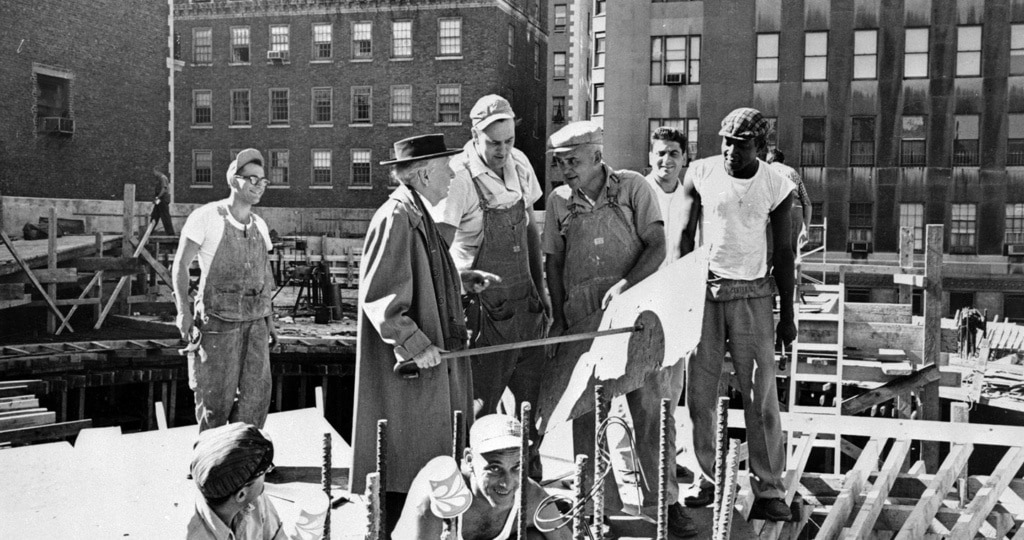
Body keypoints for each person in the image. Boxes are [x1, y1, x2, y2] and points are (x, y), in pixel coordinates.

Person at [543, 121, 697, 537]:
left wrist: (625, 285)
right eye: (560, 163)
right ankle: (595, 509)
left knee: (649, 409)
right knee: (585, 412)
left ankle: (664, 503)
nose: (565, 171)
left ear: (596, 155)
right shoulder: (558, 202)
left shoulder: (631, 188)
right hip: (582, 317)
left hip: (633, 313)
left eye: (572, 161)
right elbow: (553, 263)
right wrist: (558, 315)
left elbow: (657, 244)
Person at [350, 133, 497, 536]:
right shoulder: (396, 218)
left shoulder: (417, 215)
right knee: (404, 473)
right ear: (425, 172)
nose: (452, 176)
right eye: (447, 168)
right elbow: (380, 298)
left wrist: (460, 281)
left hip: (429, 379)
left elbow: (419, 279)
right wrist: (417, 345)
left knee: (428, 469)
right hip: (412, 382)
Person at [679, 107, 797, 521]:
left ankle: (768, 489)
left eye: (741, 145)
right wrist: (680, 298)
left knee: (761, 397)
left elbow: (784, 253)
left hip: (754, 297)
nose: (729, 151)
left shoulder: (777, 185)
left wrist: (787, 315)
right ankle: (706, 479)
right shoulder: (700, 172)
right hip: (705, 294)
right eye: (725, 142)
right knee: (700, 395)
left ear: (761, 147)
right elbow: (681, 237)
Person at [434, 95, 549, 479]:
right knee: (480, 413)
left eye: (509, 141)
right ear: (475, 135)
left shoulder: (520, 164)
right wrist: (460, 283)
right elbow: (436, 251)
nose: (503, 151)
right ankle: (477, 505)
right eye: (494, 143)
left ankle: (530, 502)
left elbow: (531, 230)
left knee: (532, 416)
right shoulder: (458, 178)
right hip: (484, 317)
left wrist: (541, 291)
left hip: (525, 309)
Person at [172, 148, 277, 431]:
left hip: (255, 325)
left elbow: (264, 275)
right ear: (234, 180)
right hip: (218, 324)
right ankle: (211, 463)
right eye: (251, 179)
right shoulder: (206, 217)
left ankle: (246, 463)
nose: (258, 186)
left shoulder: (260, 226)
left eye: (263, 181)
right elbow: (180, 265)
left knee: (256, 398)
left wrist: (269, 320)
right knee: (214, 399)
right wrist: (182, 311)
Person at [393, 414, 571, 540]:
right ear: (469, 459)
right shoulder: (439, 496)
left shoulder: (529, 495)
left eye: (516, 467)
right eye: (494, 468)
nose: (507, 482)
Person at [187, 422, 283, 539]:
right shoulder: (196, 536)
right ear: (241, 494)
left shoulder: (254, 498)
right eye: (263, 471)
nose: (268, 472)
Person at [765, 149, 811, 253]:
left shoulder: (766, 170)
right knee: (792, 253)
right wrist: (806, 228)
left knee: (770, 252)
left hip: (775, 208)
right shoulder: (792, 172)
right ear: (783, 161)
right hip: (795, 208)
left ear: (768, 161)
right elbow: (807, 202)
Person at [151, 166, 175, 235]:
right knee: (154, 215)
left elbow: (164, 189)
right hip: (159, 200)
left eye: (154, 171)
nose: (154, 173)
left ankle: (170, 233)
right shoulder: (159, 178)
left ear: (157, 171)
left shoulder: (162, 178)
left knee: (165, 216)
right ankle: (149, 232)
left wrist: (157, 197)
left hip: (163, 200)